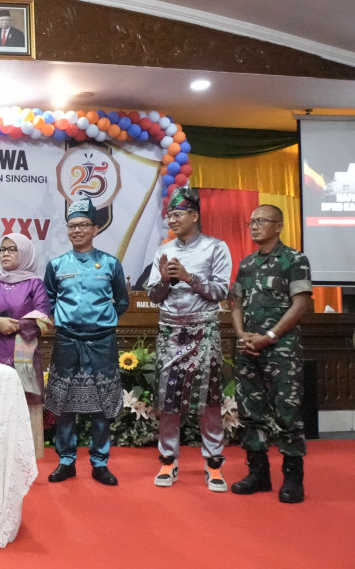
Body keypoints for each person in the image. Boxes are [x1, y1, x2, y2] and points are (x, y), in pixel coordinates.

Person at [146, 187, 233, 491]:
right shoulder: (162, 250)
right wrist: (166, 280)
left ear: (194, 216)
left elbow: (222, 291)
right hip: (170, 331)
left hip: (204, 330)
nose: (172, 219)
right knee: (168, 399)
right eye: (170, 215)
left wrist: (188, 277)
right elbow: (154, 296)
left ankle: (214, 464)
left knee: (209, 401)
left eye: (178, 214)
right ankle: (168, 461)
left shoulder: (215, 247)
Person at [43, 197, 128, 486]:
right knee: (65, 403)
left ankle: (100, 462)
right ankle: (66, 461)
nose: (77, 230)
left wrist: (102, 321)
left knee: (102, 404)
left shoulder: (110, 264)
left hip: (102, 342)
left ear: (95, 228)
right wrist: (67, 321)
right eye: (72, 226)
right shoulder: (56, 265)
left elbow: (122, 301)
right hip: (67, 342)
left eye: (83, 225)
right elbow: (49, 301)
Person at [231, 204, 313, 503]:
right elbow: (236, 305)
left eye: (261, 221)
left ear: (278, 226)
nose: (254, 226)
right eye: (251, 221)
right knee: (250, 411)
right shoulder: (246, 263)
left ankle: (293, 478)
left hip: (282, 350)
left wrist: (269, 336)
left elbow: (301, 304)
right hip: (248, 348)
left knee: (287, 411)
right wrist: (242, 336)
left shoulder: (294, 259)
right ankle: (258, 473)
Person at [0, 233, 52, 456]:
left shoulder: (34, 283)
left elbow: (44, 320)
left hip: (22, 353)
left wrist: (14, 325)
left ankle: (23, 455)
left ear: (24, 253)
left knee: (23, 402)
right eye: (2, 249)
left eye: (12, 249)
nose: (5, 253)